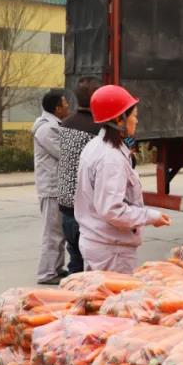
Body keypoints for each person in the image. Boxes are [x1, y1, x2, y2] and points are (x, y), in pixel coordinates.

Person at [75, 85, 171, 273]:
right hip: (111, 250)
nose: (136, 120)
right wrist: (151, 217)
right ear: (119, 119)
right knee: (113, 300)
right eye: (134, 115)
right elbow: (113, 210)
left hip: (100, 243)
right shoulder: (111, 158)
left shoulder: (97, 146)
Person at [56, 77, 102, 275]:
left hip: (66, 206)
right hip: (87, 208)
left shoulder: (65, 124)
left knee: (75, 258)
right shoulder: (98, 128)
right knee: (90, 268)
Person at [32, 89, 70, 284]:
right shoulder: (47, 129)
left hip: (56, 187)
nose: (68, 107)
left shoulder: (52, 125)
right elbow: (65, 153)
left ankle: (56, 268)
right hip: (51, 188)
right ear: (57, 108)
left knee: (58, 232)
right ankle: (46, 273)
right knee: (52, 233)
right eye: (65, 104)